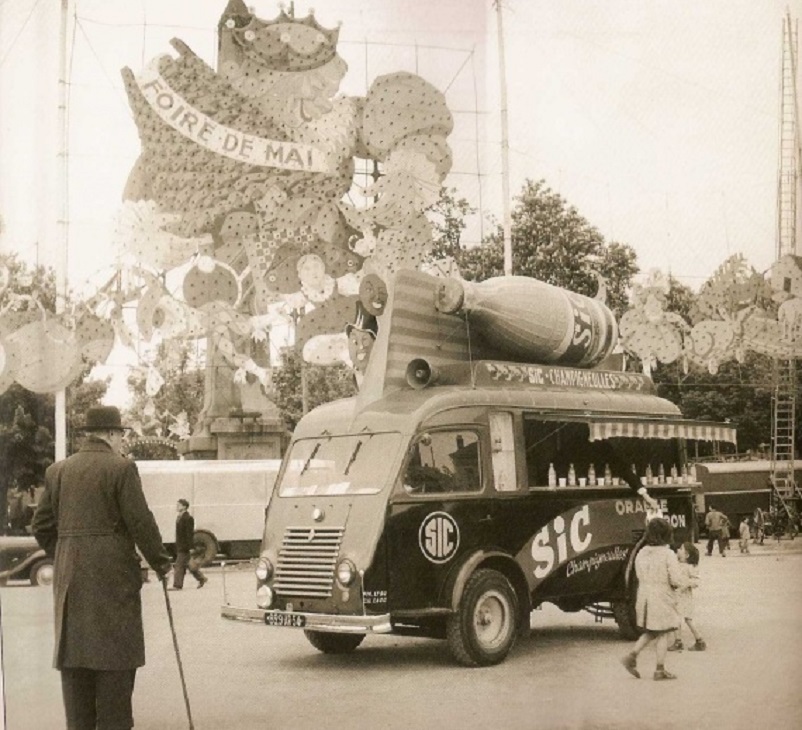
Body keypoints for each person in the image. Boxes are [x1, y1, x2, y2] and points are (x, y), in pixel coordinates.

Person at [32, 406, 173, 730]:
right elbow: (140, 522)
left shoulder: (58, 471)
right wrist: (162, 564)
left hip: (70, 584)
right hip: (113, 582)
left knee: (76, 670)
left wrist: (68, 552)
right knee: (114, 672)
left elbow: (41, 526)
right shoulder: (121, 469)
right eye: (121, 435)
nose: (123, 441)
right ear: (110, 435)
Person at [620, 517, 690, 681]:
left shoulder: (641, 553)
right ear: (667, 535)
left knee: (652, 631)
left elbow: (637, 574)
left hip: (644, 596)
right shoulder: (668, 554)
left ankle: (631, 656)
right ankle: (659, 669)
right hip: (661, 597)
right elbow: (676, 580)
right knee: (663, 633)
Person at [668, 542, 705, 652]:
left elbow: (696, 581)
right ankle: (683, 641)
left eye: (680, 549)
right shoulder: (677, 565)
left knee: (685, 619)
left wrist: (685, 585)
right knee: (679, 619)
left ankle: (697, 640)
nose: (678, 550)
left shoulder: (689, 568)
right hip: (677, 596)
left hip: (684, 597)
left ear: (687, 555)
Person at [171, 498, 208, 590]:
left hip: (185, 546)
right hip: (180, 545)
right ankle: (202, 578)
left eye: (179, 505)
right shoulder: (179, 517)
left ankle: (177, 585)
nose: (177, 507)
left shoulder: (188, 518)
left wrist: (190, 547)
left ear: (184, 507)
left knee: (179, 565)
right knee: (189, 566)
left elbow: (189, 534)